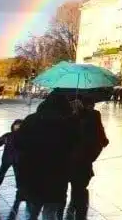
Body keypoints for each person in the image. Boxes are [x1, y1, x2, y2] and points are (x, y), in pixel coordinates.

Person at [15, 92, 79, 220]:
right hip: (57, 173)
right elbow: (75, 145)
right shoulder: (68, 122)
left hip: (33, 172)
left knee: (33, 209)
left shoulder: (31, 119)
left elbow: (19, 143)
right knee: (51, 211)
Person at [69, 97, 109, 220]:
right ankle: (77, 202)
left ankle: (78, 204)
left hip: (84, 154)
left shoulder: (92, 115)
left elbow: (98, 132)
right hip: (77, 155)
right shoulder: (71, 116)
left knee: (79, 182)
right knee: (78, 182)